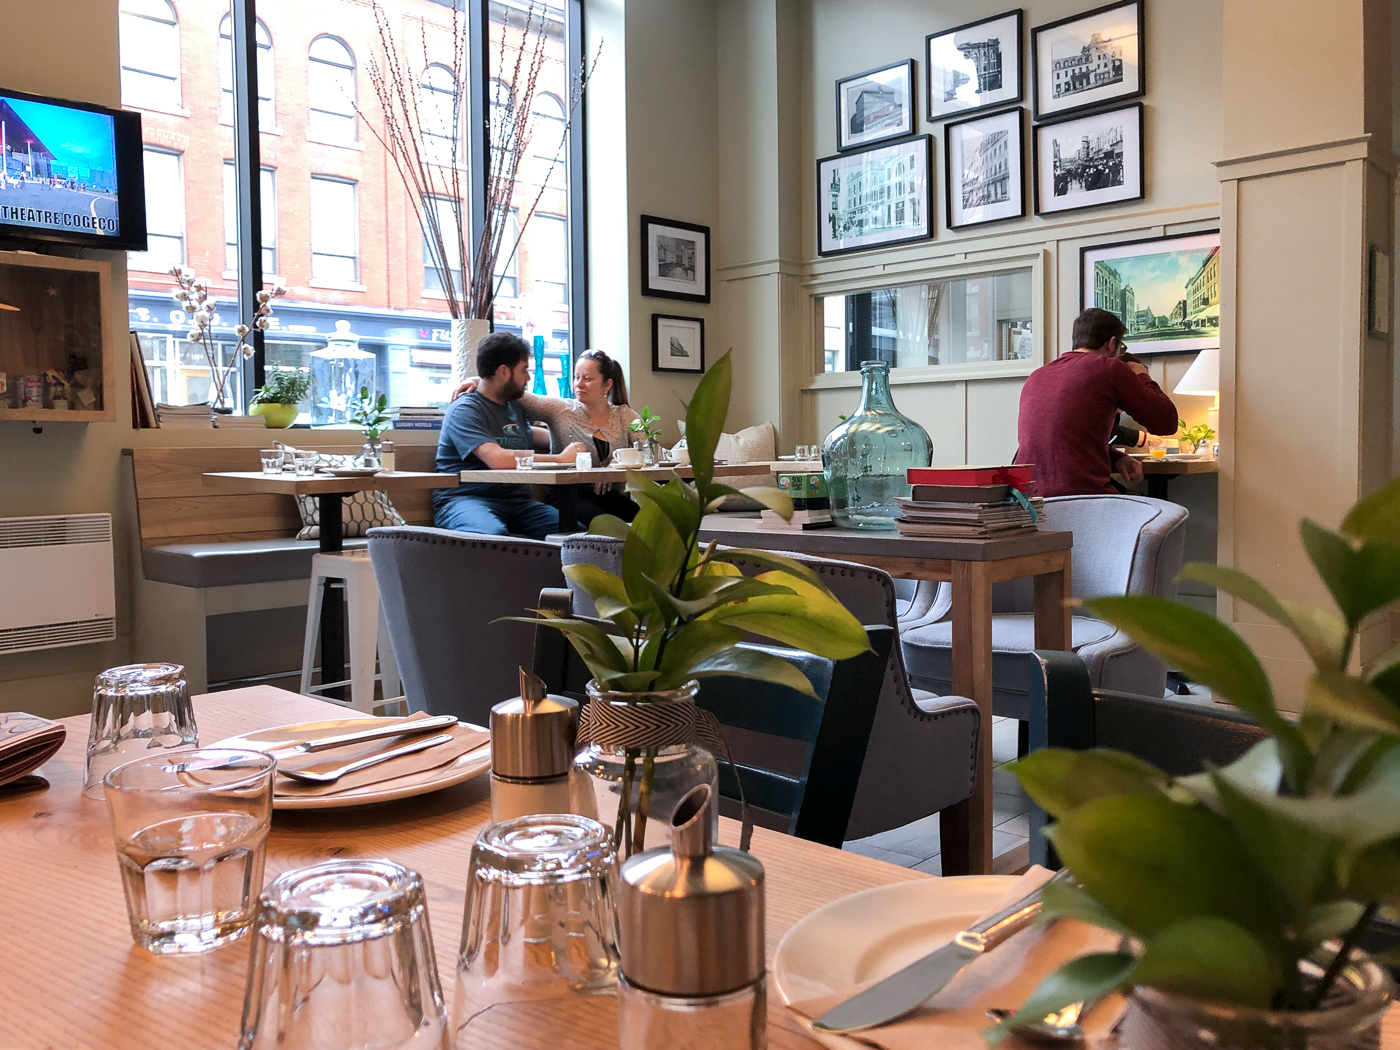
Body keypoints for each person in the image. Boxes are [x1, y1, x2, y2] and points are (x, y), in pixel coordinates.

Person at [451, 349, 642, 526]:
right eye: (576, 377)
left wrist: (617, 464)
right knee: (603, 524)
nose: (579, 384)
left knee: (645, 521)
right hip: (569, 495)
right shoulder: (560, 410)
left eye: (587, 379)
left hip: (611, 496)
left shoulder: (624, 415)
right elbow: (518, 394)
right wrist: (479, 381)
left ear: (607, 384)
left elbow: (648, 449)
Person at [434, 331, 586, 539]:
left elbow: (525, 434)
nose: (528, 377)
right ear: (504, 372)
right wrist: (560, 459)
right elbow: (498, 459)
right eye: (524, 370)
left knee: (575, 535)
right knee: (492, 536)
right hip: (466, 498)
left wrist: (569, 441)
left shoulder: (514, 404)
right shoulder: (465, 409)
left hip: (517, 502)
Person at [1016, 308, 1178, 497]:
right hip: (1082, 498)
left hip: (1028, 501)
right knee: (1168, 514)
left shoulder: (1037, 376)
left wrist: (1116, 458)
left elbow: (1060, 441)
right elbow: (1166, 422)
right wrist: (1142, 374)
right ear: (1111, 344)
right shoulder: (1109, 368)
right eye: (1121, 348)